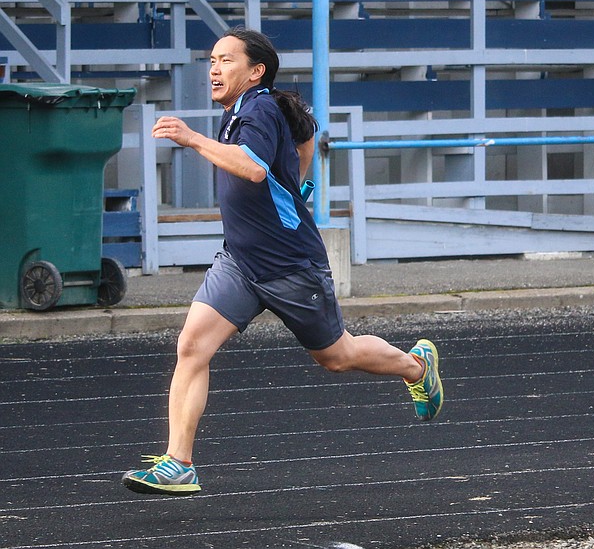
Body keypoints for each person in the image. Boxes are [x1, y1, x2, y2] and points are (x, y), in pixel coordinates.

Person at [123, 27, 443, 496]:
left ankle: (416, 367)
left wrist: (191, 139)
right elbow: (307, 133)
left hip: (290, 266)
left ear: (256, 72)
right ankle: (179, 463)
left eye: (226, 60)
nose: (214, 68)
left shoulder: (260, 108)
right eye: (211, 60)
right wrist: (299, 184)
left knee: (337, 357)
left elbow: (252, 167)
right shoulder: (242, 111)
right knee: (191, 347)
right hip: (240, 262)